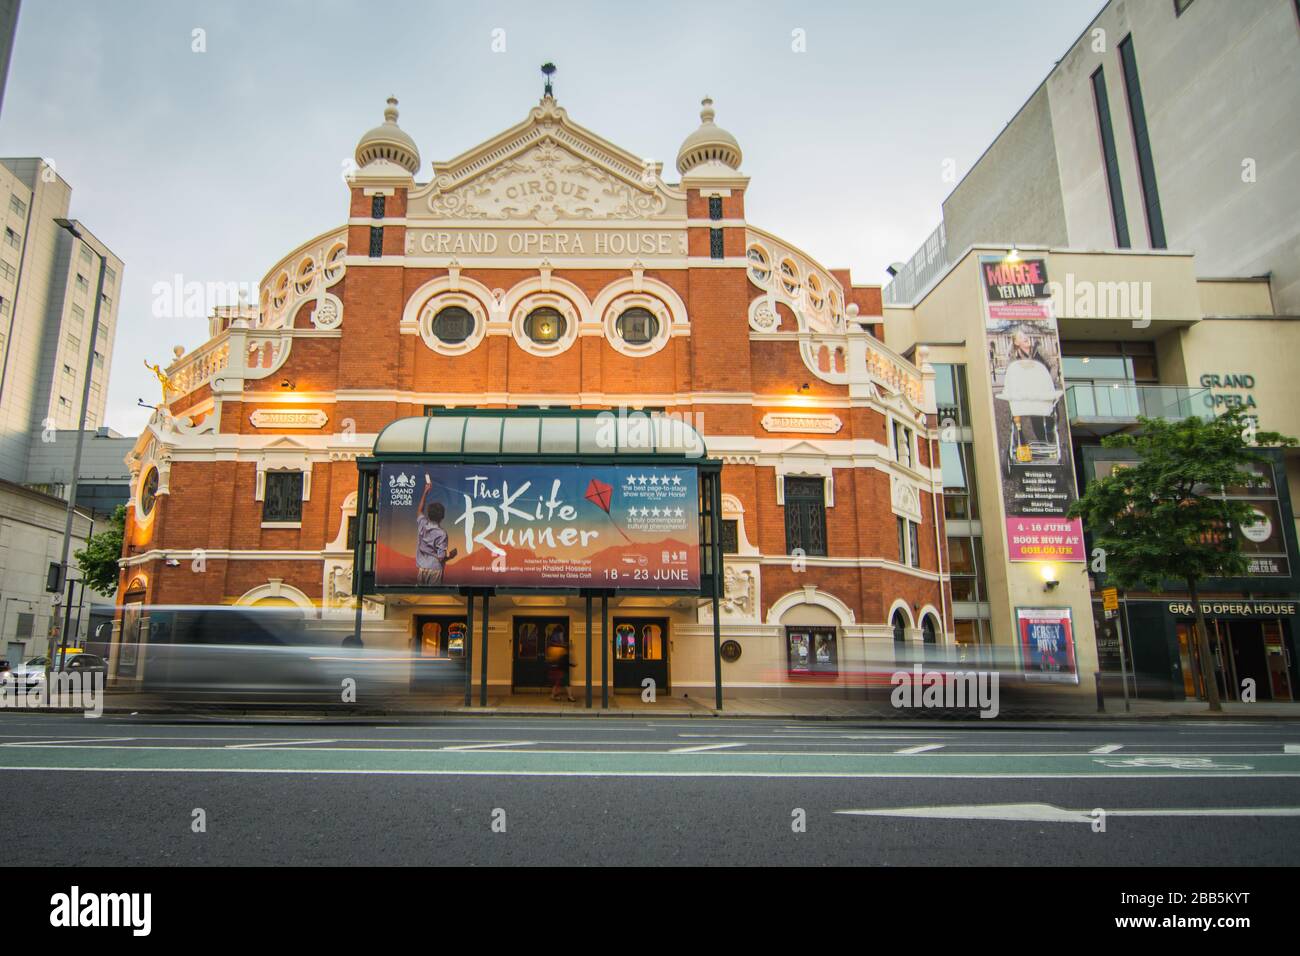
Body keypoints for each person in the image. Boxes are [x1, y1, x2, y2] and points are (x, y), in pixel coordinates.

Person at [415, 475, 457, 586]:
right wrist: (451, 556)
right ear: (442, 517)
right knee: (432, 595)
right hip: (435, 569)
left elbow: (419, 511)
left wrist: (425, 491)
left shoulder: (422, 524)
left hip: (421, 568)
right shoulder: (442, 534)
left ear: (428, 514)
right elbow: (440, 557)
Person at [546, 625, 575, 702]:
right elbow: (563, 660)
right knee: (565, 683)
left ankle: (553, 695)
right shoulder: (560, 648)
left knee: (557, 683)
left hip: (556, 668)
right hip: (561, 669)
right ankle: (570, 697)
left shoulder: (552, 646)